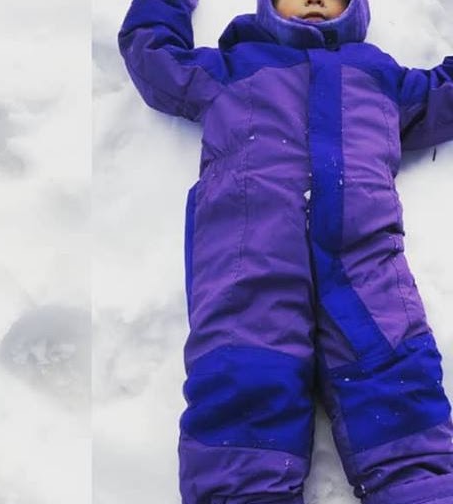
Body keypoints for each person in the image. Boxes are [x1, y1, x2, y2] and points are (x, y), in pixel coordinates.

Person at [120, 0, 453, 502]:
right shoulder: (233, 67)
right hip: (251, 262)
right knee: (243, 387)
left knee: (398, 385)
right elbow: (155, 56)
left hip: (365, 266)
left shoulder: (381, 76)